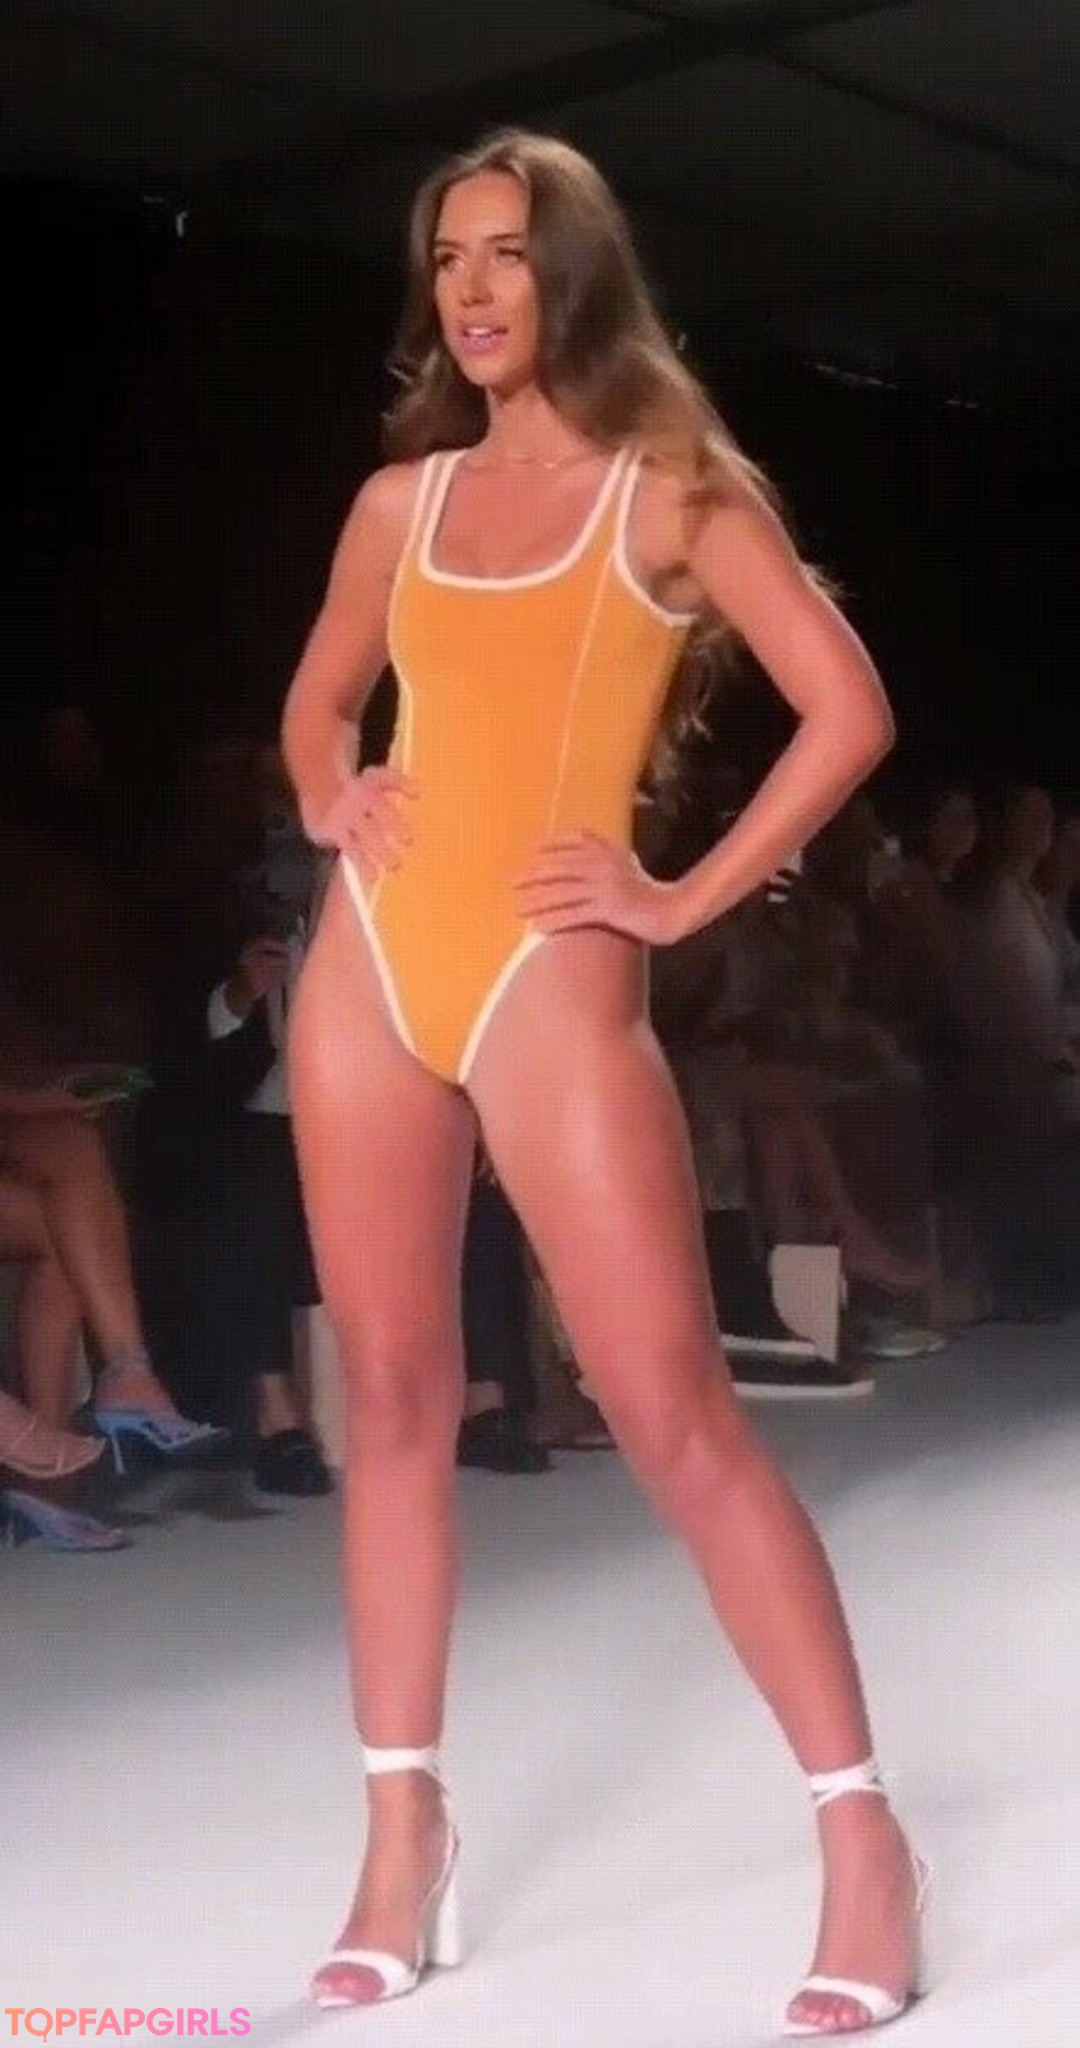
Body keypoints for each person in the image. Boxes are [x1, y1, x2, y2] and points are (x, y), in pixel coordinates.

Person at [281, 128, 926, 2037]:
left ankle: (865, 1839)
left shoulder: (670, 493)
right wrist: (330, 796)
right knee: (395, 1399)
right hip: (369, 966)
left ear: (573, 272)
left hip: (551, 984)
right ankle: (403, 1831)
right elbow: (319, 704)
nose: (474, 290)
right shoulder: (398, 502)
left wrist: (676, 896)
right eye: (449, 258)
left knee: (673, 1414)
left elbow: (850, 706)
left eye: (508, 253)